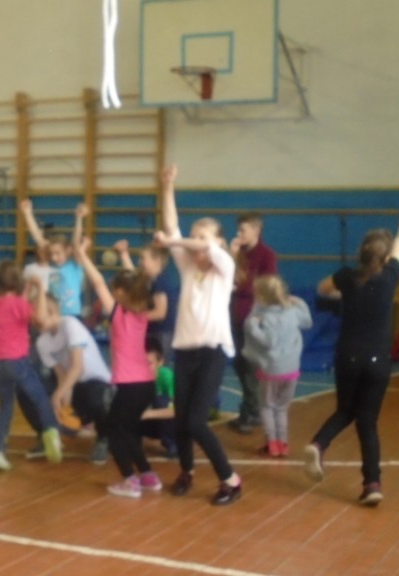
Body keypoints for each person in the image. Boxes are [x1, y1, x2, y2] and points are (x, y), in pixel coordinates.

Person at [303, 182, 399, 507]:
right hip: (377, 361)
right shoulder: (391, 276)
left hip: (347, 356)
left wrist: (345, 295)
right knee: (367, 422)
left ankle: (319, 443)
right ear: (386, 257)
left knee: (345, 410)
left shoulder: (347, 277)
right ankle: (372, 483)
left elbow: (322, 289)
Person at [155, 163, 243, 506]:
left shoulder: (224, 267)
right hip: (185, 352)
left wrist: (173, 240)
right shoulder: (188, 267)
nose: (195, 242)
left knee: (195, 421)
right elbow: (171, 226)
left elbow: (178, 238)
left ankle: (230, 479)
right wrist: (167, 187)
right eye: (194, 236)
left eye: (202, 237)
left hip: (212, 352)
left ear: (218, 242)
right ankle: (187, 471)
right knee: (181, 420)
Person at [76, 235, 160, 498]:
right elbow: (137, 283)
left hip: (129, 384)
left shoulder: (118, 313)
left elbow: (98, 282)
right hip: (145, 384)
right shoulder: (141, 310)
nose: (111, 292)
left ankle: (129, 480)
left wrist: (83, 255)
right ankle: (147, 475)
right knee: (128, 430)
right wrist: (125, 258)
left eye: (115, 290)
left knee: (113, 431)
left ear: (122, 293)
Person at [0, 257, 62, 471]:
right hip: (17, 361)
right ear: (17, 281)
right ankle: (51, 431)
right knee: (40, 397)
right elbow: (40, 319)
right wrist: (41, 289)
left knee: (5, 406)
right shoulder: (20, 304)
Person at [29, 290, 114, 465]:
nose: (32, 319)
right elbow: (62, 377)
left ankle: (104, 438)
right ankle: (48, 434)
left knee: (96, 397)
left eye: (35, 313)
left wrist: (57, 396)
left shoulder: (70, 324)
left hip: (98, 384)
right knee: (28, 391)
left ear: (50, 311)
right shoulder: (42, 342)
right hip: (75, 386)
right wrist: (64, 409)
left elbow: (77, 367)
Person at [241, 275, 312, 457]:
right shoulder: (292, 313)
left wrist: (252, 327)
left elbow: (268, 342)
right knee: (281, 408)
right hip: (291, 369)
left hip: (272, 370)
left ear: (261, 297)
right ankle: (283, 443)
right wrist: (300, 302)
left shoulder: (265, 318)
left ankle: (272, 443)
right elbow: (307, 321)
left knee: (267, 406)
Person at [228, 212, 277, 435]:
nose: (239, 234)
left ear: (256, 230)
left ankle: (252, 411)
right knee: (239, 364)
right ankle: (250, 408)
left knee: (250, 366)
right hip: (234, 316)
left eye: (243, 230)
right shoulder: (237, 253)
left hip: (254, 318)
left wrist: (241, 283)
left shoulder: (267, 255)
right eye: (238, 230)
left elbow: (265, 287)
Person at [114, 240, 179, 363]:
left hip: (161, 334)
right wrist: (124, 254)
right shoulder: (149, 279)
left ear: (157, 261)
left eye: (143, 258)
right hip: (153, 332)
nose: (140, 262)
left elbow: (160, 313)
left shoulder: (160, 282)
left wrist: (134, 317)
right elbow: (132, 276)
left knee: (157, 368)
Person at [19, 199, 85, 319]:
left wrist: (79, 219)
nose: (54, 257)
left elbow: (76, 242)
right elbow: (38, 238)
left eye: (58, 253)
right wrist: (28, 213)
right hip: (54, 315)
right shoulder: (52, 266)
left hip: (73, 314)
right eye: (52, 254)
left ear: (68, 251)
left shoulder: (75, 265)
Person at [140, 336, 177, 458]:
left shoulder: (167, 377)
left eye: (149, 363)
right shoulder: (137, 377)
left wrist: (146, 414)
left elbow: (177, 410)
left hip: (174, 423)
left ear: (160, 362)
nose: (145, 368)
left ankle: (172, 443)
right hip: (153, 421)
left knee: (160, 401)